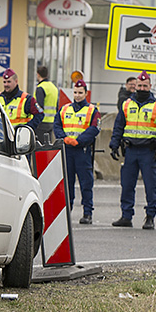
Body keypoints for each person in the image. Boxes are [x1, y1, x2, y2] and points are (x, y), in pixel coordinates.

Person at [108, 72, 156, 229]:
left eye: (145, 86)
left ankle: (150, 217)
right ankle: (126, 216)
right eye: (139, 86)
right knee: (127, 185)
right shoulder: (127, 104)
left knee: (151, 186)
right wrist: (114, 144)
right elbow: (118, 126)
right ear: (135, 87)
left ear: (150, 86)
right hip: (130, 151)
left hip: (149, 152)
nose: (142, 88)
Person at [59, 79, 100, 224]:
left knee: (86, 184)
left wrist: (79, 140)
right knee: (67, 183)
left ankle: (87, 213)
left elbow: (94, 128)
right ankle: (66, 212)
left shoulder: (92, 110)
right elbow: (57, 125)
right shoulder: (65, 109)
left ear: (86, 93)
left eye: (80, 93)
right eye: (75, 92)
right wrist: (64, 138)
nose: (77, 95)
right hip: (68, 150)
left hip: (82, 151)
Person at [34, 65, 60, 144]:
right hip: (51, 122)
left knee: (40, 147)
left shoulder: (41, 87)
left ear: (38, 74)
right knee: (47, 146)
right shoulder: (54, 87)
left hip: (42, 122)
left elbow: (39, 106)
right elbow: (57, 105)